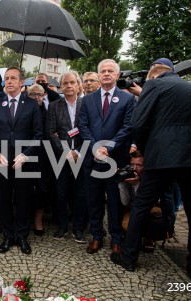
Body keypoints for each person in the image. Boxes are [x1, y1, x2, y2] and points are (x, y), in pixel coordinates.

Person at [111, 64, 191, 278]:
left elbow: (138, 123)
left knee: (141, 206)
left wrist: (142, 149)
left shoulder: (155, 84)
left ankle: (129, 258)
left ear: (153, 76)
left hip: (163, 156)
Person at [78, 59, 135, 255]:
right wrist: (95, 147)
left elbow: (127, 127)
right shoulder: (87, 99)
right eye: (103, 71)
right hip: (92, 158)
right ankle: (96, 236)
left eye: (111, 71)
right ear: (98, 75)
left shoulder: (127, 99)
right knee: (93, 199)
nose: (106, 73)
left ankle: (116, 238)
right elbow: (83, 126)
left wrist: (108, 147)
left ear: (117, 75)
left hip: (115, 158)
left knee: (114, 200)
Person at [0, 67, 42, 254]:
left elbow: (38, 134)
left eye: (13, 78)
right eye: (7, 78)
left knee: (23, 200)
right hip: (1, 161)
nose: (9, 81)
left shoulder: (32, 105)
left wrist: (25, 154)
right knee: (3, 200)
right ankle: (8, 236)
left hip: (23, 162)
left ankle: (23, 237)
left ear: (21, 82)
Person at [47, 71, 87, 244]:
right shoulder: (54, 106)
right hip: (61, 156)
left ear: (78, 85)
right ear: (60, 87)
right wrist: (65, 151)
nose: (69, 86)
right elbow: (50, 132)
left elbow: (89, 131)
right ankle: (62, 226)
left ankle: (78, 228)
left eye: (72, 82)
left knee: (80, 193)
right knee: (61, 193)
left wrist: (77, 151)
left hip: (81, 155)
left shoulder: (87, 104)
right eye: (65, 83)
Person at [26, 83, 51, 236]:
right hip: (25, 153)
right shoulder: (22, 111)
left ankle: (38, 220)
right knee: (26, 188)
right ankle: (26, 217)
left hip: (44, 155)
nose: (36, 97)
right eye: (33, 94)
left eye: (40, 94)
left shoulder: (48, 111)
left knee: (42, 188)